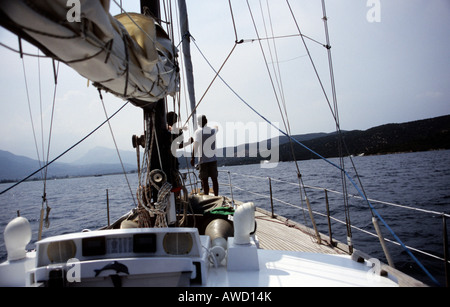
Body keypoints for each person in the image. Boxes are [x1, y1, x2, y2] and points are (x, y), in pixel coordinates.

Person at [191, 115, 219, 196]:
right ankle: (216, 196)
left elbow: (195, 145)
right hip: (213, 160)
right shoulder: (213, 131)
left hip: (203, 161)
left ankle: (206, 196)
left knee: (205, 180)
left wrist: (192, 158)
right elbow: (217, 127)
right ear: (206, 121)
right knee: (214, 180)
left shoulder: (198, 132)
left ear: (199, 123)